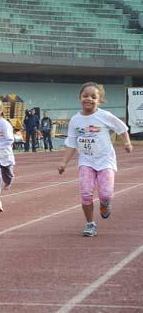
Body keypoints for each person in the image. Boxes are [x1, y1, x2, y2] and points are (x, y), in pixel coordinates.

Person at [58, 82, 132, 237]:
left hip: (105, 160)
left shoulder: (104, 116)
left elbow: (122, 128)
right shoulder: (75, 120)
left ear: (100, 100)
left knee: (105, 193)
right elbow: (71, 143)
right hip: (86, 161)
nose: (89, 99)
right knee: (86, 192)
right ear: (80, 98)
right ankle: (90, 224)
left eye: (93, 97)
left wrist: (127, 142)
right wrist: (64, 162)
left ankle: (105, 203)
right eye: (85, 96)